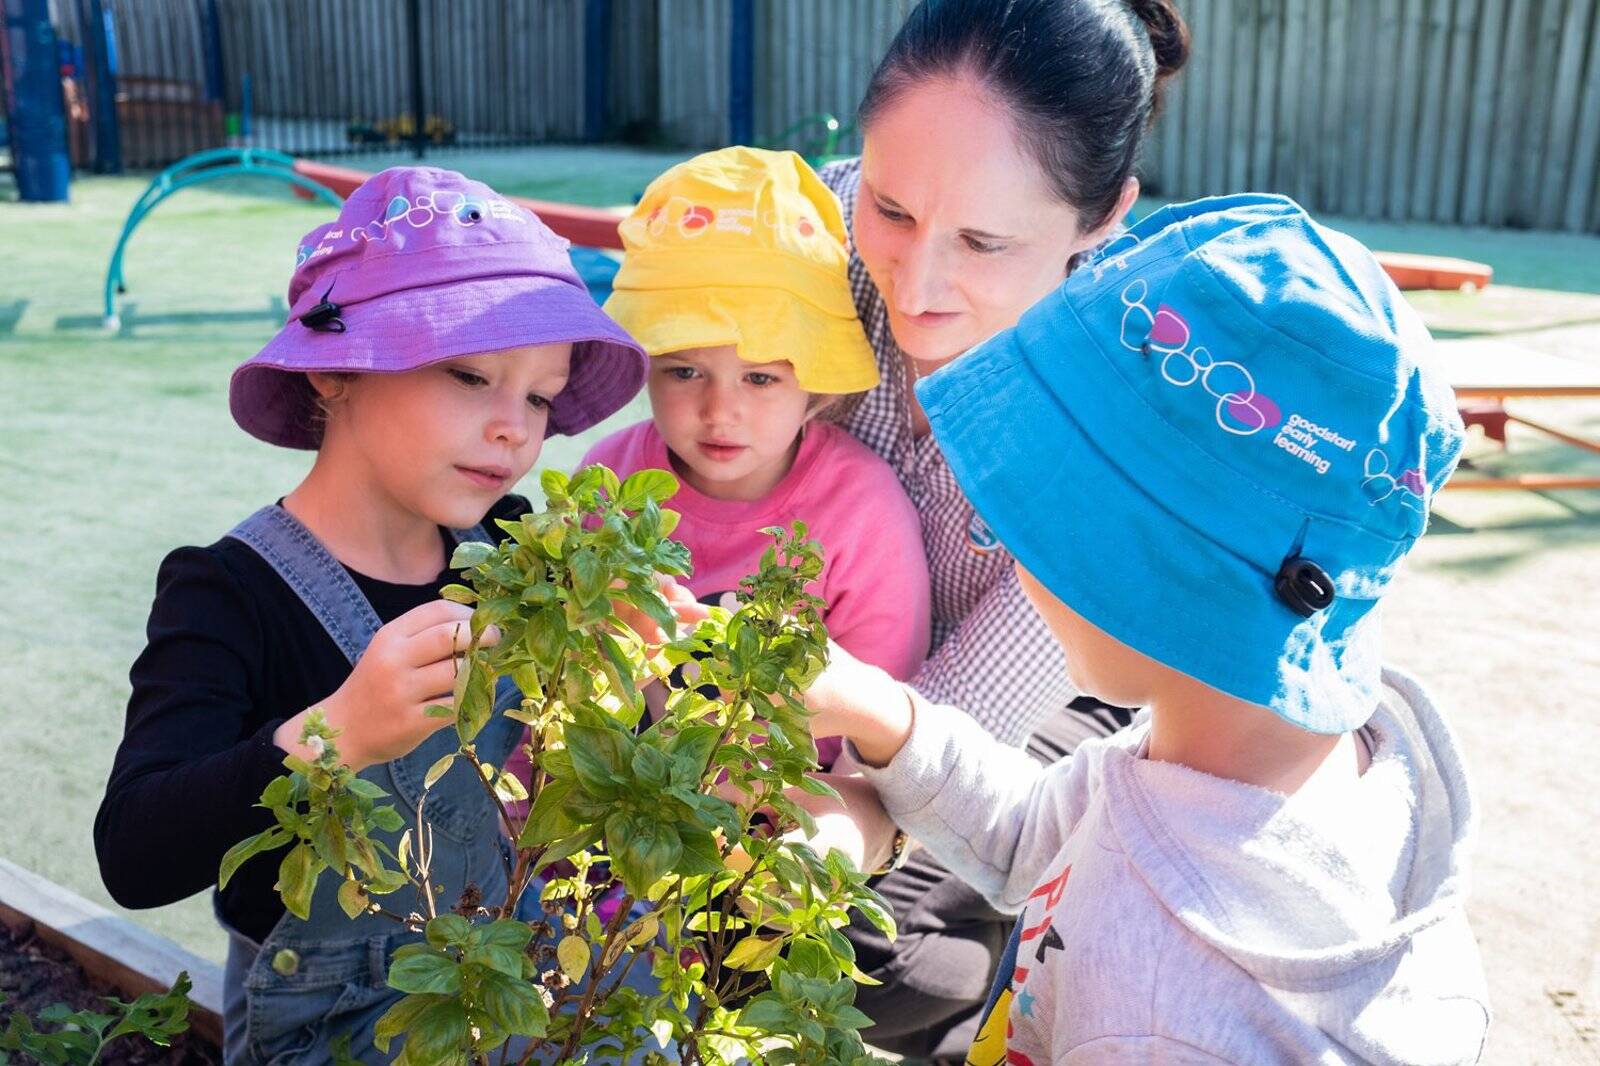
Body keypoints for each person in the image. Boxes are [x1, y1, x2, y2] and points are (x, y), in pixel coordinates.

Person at [806, 193, 1491, 1063]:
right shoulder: (1259, 762)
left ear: (1150, 568)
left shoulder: (1166, 1008)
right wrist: (882, 716)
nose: (1006, 549)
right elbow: (1042, 840)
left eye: (1029, 517)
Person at [93, 167, 648, 1065]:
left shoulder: (509, 548)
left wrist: (633, 664)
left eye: (541, 395)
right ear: (338, 372)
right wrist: (334, 734)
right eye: (472, 374)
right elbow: (133, 850)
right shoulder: (228, 591)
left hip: (500, 976)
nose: (517, 428)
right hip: (326, 1025)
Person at [813, 0, 1191, 1051]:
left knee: (862, 938)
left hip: (1050, 688)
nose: (915, 284)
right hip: (815, 641)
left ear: (1102, 217)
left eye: (984, 240)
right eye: (888, 208)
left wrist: (852, 813)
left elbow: (969, 714)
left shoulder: (1123, 405)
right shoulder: (796, 235)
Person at [591, 145, 931, 750]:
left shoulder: (862, 515)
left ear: (817, 386)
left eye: (761, 378)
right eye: (684, 372)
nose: (720, 412)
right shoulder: (605, 480)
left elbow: (877, 724)